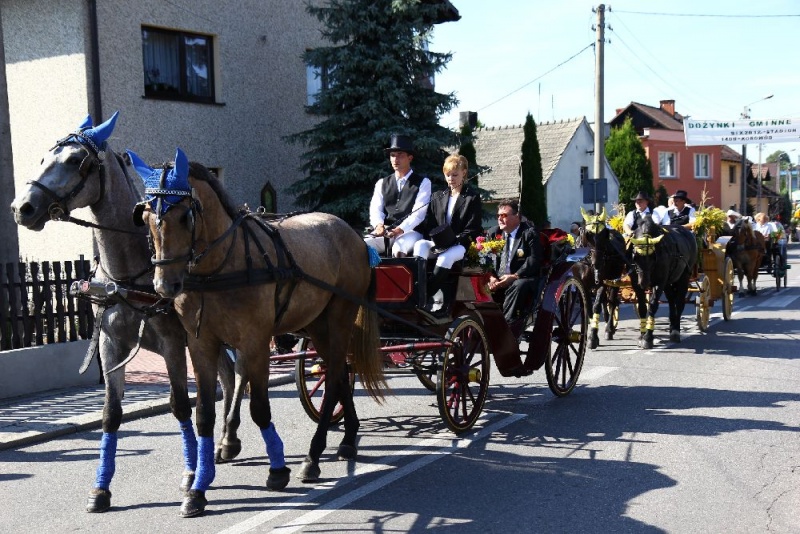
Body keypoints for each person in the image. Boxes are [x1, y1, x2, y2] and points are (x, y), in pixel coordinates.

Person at [413, 154, 483, 316]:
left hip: (459, 245)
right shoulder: (437, 196)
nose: (451, 178)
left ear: (464, 173)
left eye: (455, 175)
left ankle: (424, 296)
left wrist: (454, 240)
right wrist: (436, 239)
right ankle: (416, 288)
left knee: (446, 257)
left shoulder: (472, 198)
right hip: (438, 243)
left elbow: (473, 228)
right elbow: (429, 224)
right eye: (448, 175)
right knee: (420, 245)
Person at [364, 134, 431, 257]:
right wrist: (379, 226)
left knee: (399, 248)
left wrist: (400, 229)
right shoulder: (381, 183)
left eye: (400, 155)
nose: (395, 159)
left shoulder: (423, 183)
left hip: (412, 231)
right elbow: (375, 209)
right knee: (362, 245)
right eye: (392, 155)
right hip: (387, 230)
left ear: (410, 158)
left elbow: (418, 214)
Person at [486, 199, 544, 325]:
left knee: (518, 285)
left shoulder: (529, 233)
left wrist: (514, 276)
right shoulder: (493, 233)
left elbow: (534, 260)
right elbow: (486, 259)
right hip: (497, 279)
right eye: (498, 216)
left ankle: (506, 325)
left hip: (522, 278)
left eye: (504, 215)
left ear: (517, 216)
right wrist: (491, 277)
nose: (500, 219)